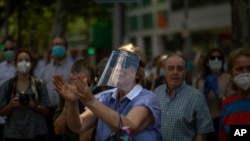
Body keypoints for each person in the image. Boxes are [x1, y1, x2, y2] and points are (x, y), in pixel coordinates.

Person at [53, 43, 162, 141]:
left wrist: (90, 100)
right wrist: (72, 103)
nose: (118, 68)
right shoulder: (106, 97)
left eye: (126, 64)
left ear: (138, 73)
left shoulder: (147, 98)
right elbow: (78, 126)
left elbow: (128, 127)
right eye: (115, 63)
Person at [154, 54, 214, 141]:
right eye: (171, 68)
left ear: (185, 72)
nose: (175, 72)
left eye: (179, 69)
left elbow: (203, 131)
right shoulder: (157, 92)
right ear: (164, 71)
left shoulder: (196, 96)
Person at [0, 49, 50, 141]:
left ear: (31, 64)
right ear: (15, 64)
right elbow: (1, 112)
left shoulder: (39, 84)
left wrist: (34, 106)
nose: (24, 63)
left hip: (37, 132)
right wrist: (11, 105)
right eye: (20, 60)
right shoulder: (8, 85)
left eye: (27, 60)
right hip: (12, 134)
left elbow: (47, 110)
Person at [197, 48, 235, 141]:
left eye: (219, 58)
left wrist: (218, 92)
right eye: (213, 58)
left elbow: (230, 107)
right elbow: (198, 109)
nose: (216, 60)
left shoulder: (228, 78)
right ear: (207, 62)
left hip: (222, 121)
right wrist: (204, 94)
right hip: (207, 123)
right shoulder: (202, 81)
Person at [53, 58, 95, 141]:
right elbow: (58, 130)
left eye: (85, 83)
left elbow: (85, 137)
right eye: (78, 81)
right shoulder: (66, 96)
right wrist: (69, 104)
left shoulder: (96, 98)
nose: (82, 86)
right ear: (71, 78)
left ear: (91, 82)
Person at [42, 35, 73, 141]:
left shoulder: (72, 68)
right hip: (49, 112)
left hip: (67, 111)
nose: (58, 47)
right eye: (55, 45)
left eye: (60, 44)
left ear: (65, 48)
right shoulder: (46, 69)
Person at [219, 47, 250, 141]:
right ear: (231, 73)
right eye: (240, 69)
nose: (245, 73)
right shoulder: (227, 105)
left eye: (249, 68)